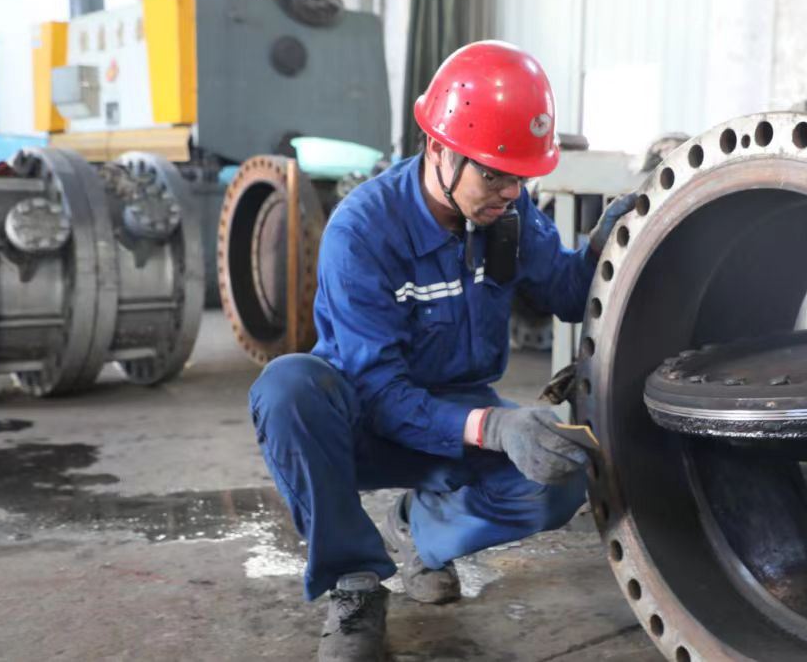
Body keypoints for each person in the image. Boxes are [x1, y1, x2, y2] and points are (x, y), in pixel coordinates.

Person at [248, 40, 636, 661]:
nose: (509, 191)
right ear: (438, 149)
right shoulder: (363, 231)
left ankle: (418, 534)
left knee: (557, 480)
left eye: (520, 177)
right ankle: (354, 584)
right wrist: (493, 426)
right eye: (493, 174)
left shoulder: (507, 216)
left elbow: (565, 292)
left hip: (456, 414)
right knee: (287, 389)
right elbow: (379, 390)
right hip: (363, 419)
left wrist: (605, 248)